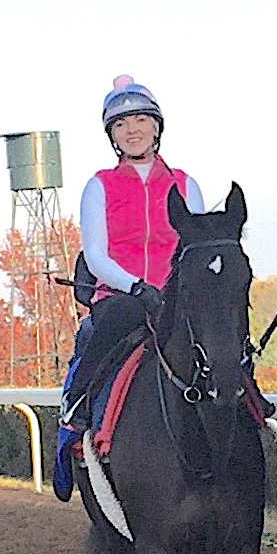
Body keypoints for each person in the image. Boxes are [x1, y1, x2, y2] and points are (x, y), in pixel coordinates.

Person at [60, 74, 204, 433]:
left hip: (177, 299)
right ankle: (76, 403)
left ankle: (250, 402)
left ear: (156, 127)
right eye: (121, 124)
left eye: (141, 120)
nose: (132, 130)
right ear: (112, 136)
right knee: (119, 316)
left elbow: (198, 251)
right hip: (123, 298)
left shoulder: (186, 184)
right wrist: (137, 287)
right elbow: (96, 257)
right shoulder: (99, 186)